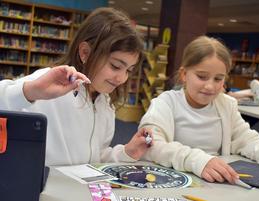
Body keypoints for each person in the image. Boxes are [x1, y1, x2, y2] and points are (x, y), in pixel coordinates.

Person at [0, 7, 152, 166]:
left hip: (79, 189)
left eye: (129, 70)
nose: (122, 78)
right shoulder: (48, 83)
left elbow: (95, 157)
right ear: (85, 52)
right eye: (115, 66)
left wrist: (126, 152)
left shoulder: (105, 103)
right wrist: (29, 92)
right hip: (43, 188)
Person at [139, 36, 259, 184]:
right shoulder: (165, 103)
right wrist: (197, 160)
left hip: (214, 184)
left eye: (218, 79)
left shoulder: (226, 105)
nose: (210, 86)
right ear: (184, 74)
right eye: (202, 77)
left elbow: (246, 139)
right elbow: (150, 144)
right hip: (172, 182)